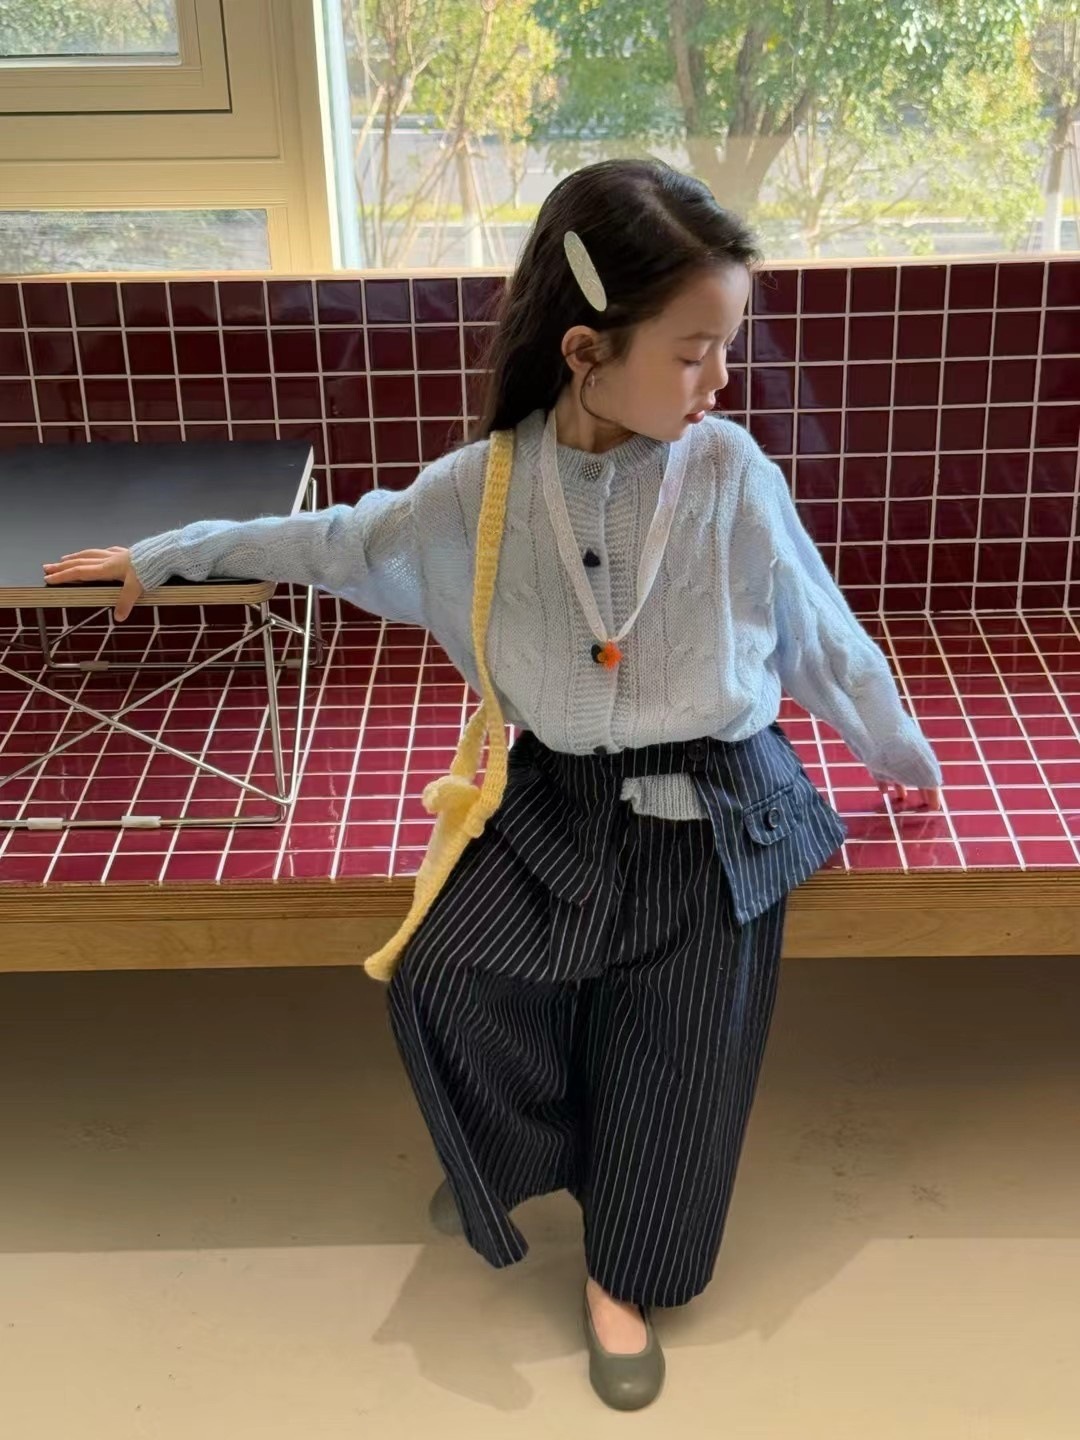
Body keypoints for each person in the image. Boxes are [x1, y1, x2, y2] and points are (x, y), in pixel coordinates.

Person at [44, 159, 943, 1412]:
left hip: (717, 811)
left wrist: (903, 759)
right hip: (556, 798)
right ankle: (538, 1152)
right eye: (694, 353)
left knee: (679, 1052)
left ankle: (622, 1275)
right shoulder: (480, 490)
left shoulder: (731, 473)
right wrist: (167, 554)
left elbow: (822, 639)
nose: (721, 382)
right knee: (443, 977)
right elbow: (335, 541)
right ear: (586, 350)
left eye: (725, 350)